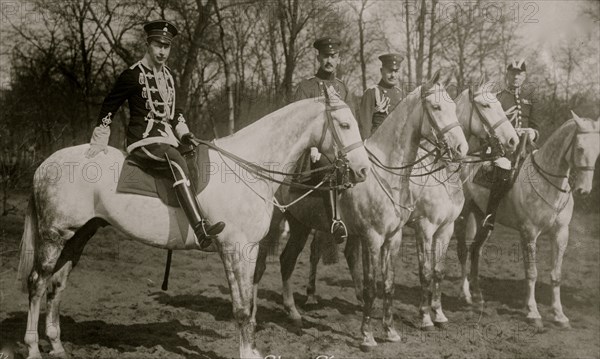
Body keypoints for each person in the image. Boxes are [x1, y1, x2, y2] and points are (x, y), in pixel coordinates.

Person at [85, 20, 225, 249]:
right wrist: (100, 139)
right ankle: (200, 230)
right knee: (177, 163)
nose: (162, 51)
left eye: (166, 47)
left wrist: (185, 134)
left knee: (192, 158)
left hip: (167, 139)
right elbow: (109, 106)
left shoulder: (170, 77)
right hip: (144, 141)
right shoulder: (131, 75)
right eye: (158, 45)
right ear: (148, 44)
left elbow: (176, 113)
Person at [293, 36, 349, 244]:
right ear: (318, 57)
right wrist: (312, 147)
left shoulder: (342, 88)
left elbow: (348, 125)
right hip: (313, 153)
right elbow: (297, 124)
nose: (329, 61)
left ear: (339, 59)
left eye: (333, 56)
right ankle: (335, 221)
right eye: (325, 56)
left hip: (339, 150)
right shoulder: (306, 87)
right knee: (329, 165)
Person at [482, 59, 538, 230]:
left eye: (519, 74)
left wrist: (533, 133)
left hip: (527, 149)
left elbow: (536, 126)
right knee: (503, 172)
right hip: (505, 150)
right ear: (507, 74)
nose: (516, 76)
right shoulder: (498, 98)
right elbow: (490, 128)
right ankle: (490, 217)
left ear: (524, 76)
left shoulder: (530, 99)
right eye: (513, 73)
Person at [358, 53, 405, 138]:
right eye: (389, 71)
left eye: (396, 71)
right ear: (381, 71)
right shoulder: (372, 92)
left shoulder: (401, 94)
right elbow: (364, 127)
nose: (393, 75)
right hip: (377, 145)